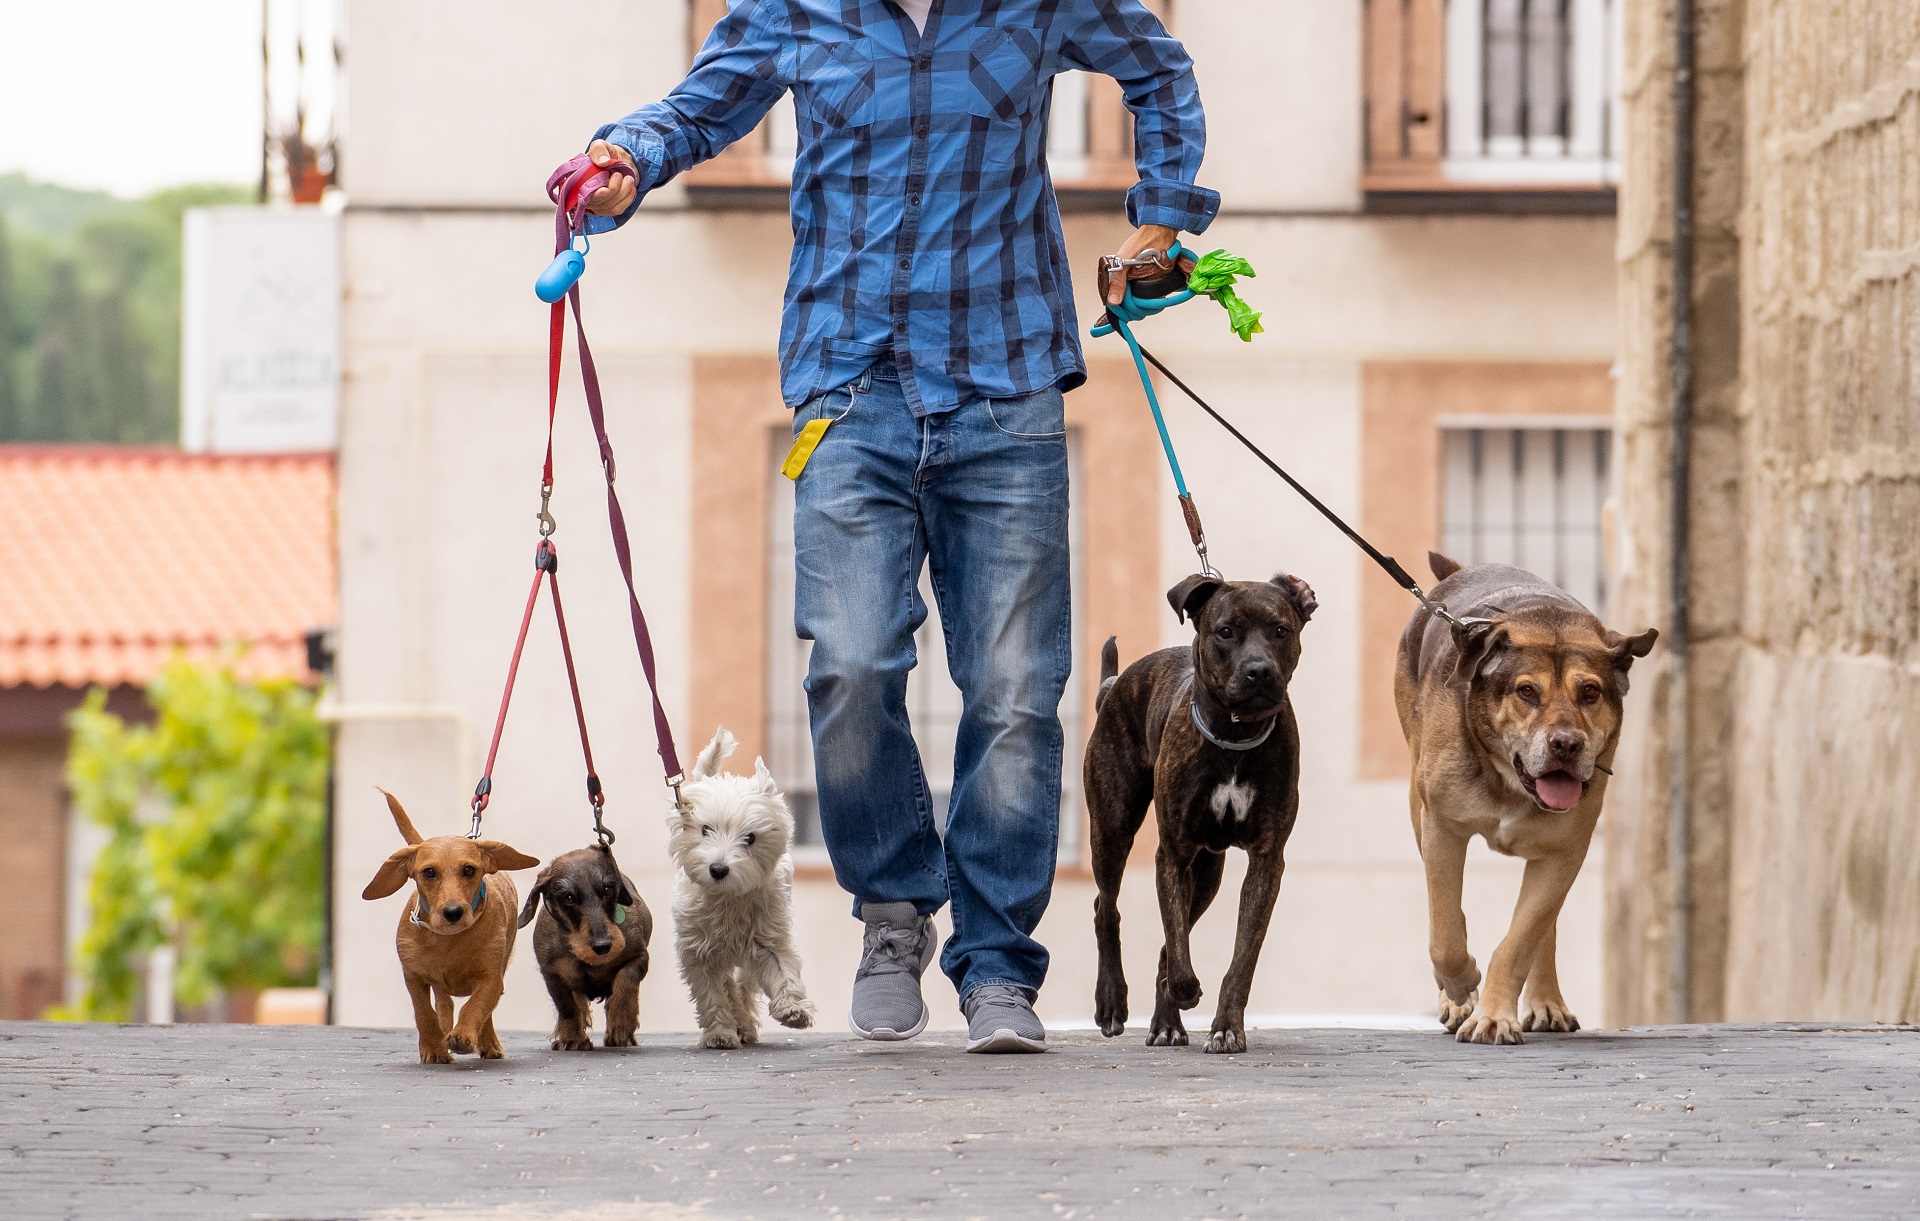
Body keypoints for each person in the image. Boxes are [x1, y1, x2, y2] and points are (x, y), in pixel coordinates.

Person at [583, 0, 1217, 1053]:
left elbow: (1157, 65)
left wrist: (1164, 215)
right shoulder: (797, 10)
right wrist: (624, 159)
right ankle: (892, 912)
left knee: (1016, 691)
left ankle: (998, 964)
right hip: (847, 388)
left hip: (1004, 386)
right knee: (851, 666)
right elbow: (701, 110)